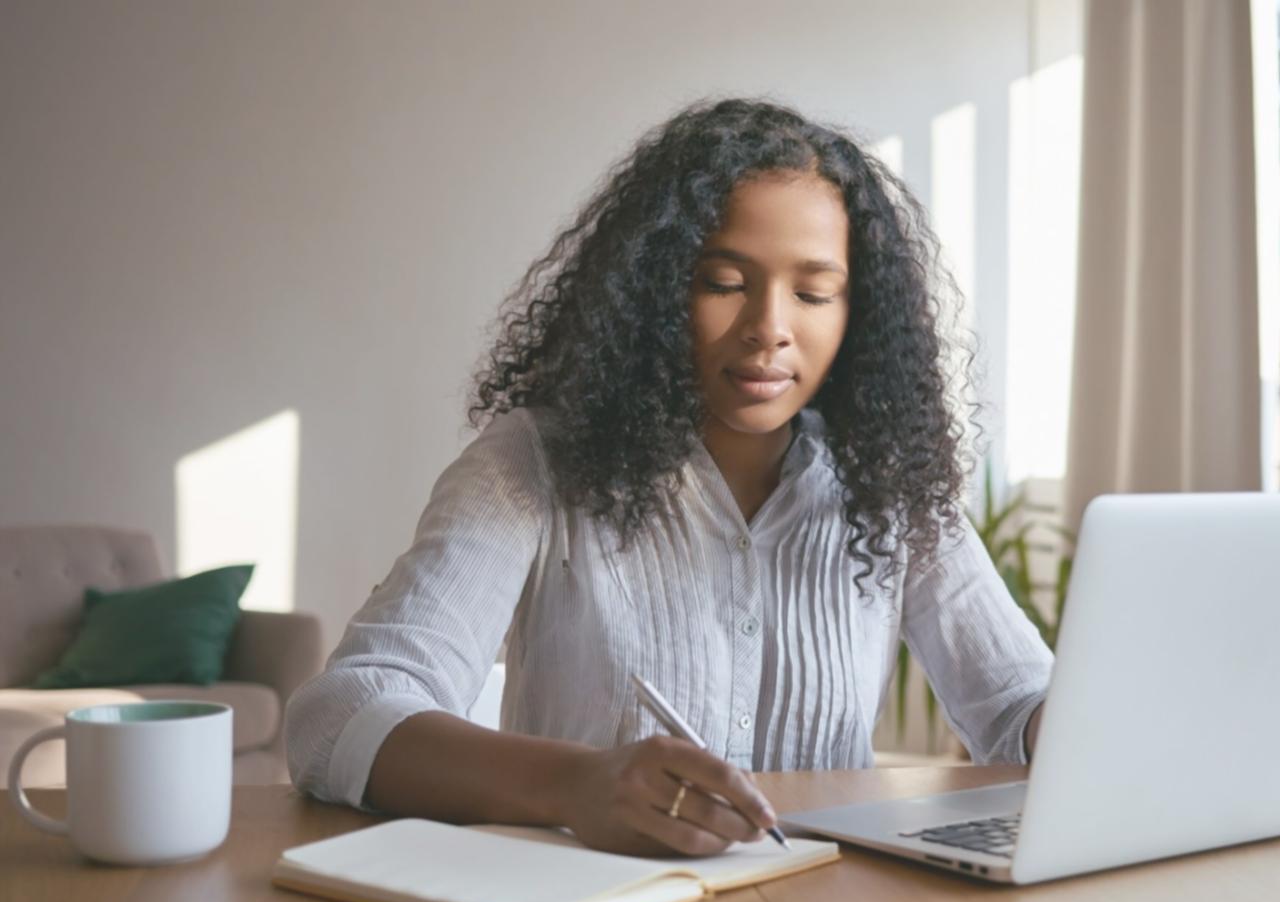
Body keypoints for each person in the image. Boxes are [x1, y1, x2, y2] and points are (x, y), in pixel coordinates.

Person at [284, 97, 1053, 858]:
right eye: (723, 281)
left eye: (814, 293)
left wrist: (1073, 728)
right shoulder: (532, 465)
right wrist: (575, 785)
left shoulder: (890, 490)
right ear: (654, 291)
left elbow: (1019, 701)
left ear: (859, 313)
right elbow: (339, 714)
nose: (769, 326)